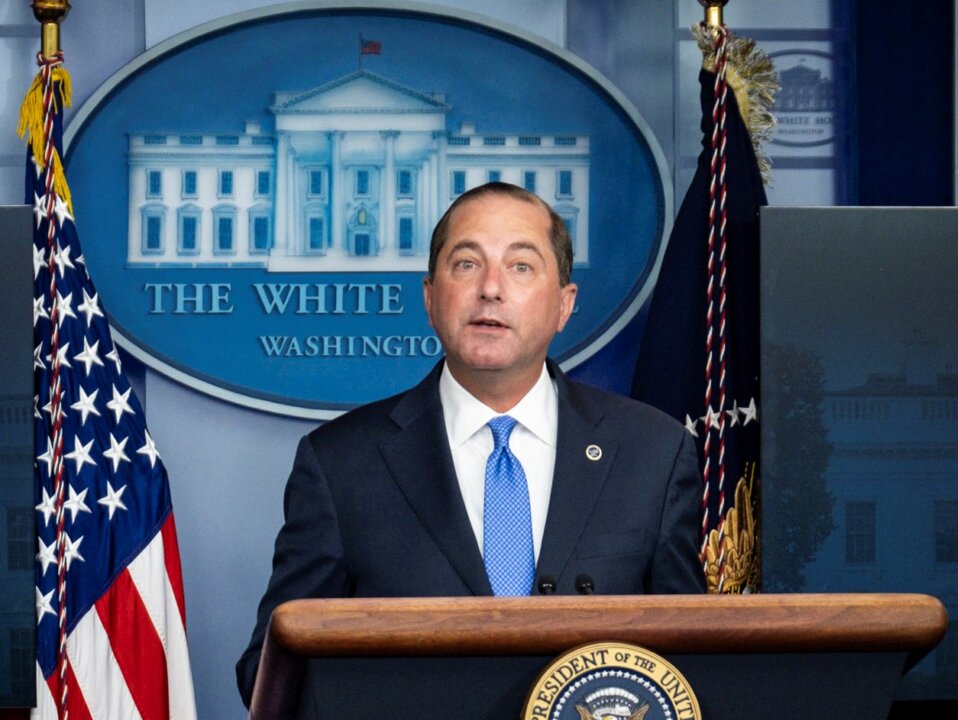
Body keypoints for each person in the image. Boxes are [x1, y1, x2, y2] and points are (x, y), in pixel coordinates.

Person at [235, 182, 705, 706]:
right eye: (466, 264)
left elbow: (692, 662)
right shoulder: (341, 464)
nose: (491, 289)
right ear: (431, 298)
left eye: (521, 266)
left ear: (564, 306)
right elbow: (269, 674)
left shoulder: (653, 455)